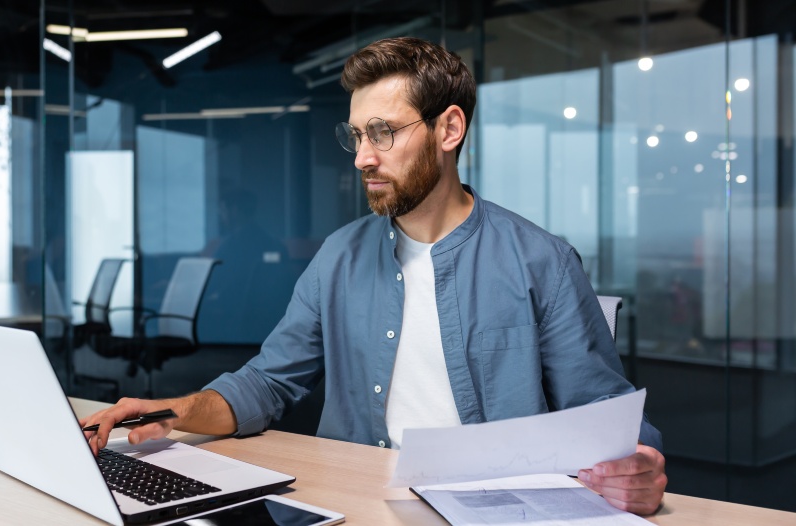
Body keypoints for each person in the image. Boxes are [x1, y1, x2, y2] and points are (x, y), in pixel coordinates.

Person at [82, 36, 667, 515]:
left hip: (491, 510)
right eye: (358, 135)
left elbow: (607, 415)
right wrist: (172, 410)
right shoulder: (338, 256)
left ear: (449, 130)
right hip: (355, 501)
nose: (363, 157)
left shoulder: (542, 261)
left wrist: (637, 465)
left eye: (383, 132)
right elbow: (268, 383)